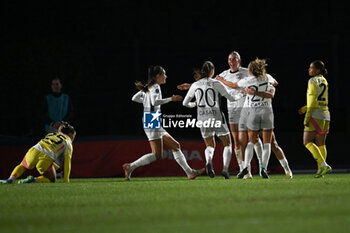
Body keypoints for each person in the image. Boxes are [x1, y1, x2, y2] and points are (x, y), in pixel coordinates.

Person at [123, 65, 204, 180]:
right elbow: (155, 101)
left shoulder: (148, 87)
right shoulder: (155, 87)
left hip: (151, 119)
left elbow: (134, 98)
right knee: (157, 155)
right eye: (164, 74)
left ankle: (190, 173)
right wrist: (171, 99)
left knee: (175, 146)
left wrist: (146, 102)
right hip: (151, 119)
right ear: (158, 76)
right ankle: (130, 166)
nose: (166, 76)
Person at [216, 58, 292, 179]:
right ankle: (284, 170)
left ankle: (246, 168)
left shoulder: (248, 80)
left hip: (252, 112)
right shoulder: (268, 77)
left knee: (251, 142)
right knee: (270, 144)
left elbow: (234, 85)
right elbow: (275, 84)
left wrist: (221, 80)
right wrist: (270, 87)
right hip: (266, 111)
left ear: (250, 70)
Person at [182, 61, 243, 179]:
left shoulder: (195, 85)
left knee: (209, 145)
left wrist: (194, 104)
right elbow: (231, 98)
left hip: (202, 118)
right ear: (212, 71)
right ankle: (225, 169)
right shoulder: (216, 83)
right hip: (216, 116)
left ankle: (209, 162)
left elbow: (185, 103)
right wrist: (241, 94)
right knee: (227, 144)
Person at [0, 122, 76, 184]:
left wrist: (56, 167)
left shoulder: (51, 134)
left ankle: (10, 179)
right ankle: (33, 180)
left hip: (35, 150)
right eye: (73, 136)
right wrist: (66, 180)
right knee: (52, 179)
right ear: (70, 134)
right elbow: (67, 163)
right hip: (46, 157)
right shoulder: (68, 142)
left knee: (22, 166)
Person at [298, 60, 332, 178]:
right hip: (326, 114)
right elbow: (319, 99)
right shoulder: (324, 80)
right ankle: (320, 170)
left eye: (311, 68)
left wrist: (306, 117)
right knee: (321, 144)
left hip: (315, 115)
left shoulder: (312, 80)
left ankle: (323, 165)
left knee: (307, 142)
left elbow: (312, 100)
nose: (309, 69)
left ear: (317, 70)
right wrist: (305, 107)